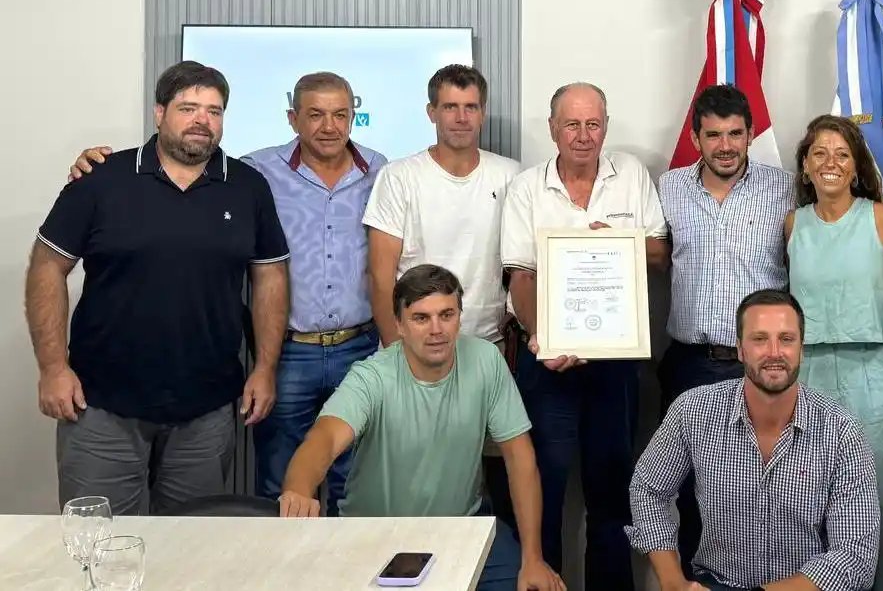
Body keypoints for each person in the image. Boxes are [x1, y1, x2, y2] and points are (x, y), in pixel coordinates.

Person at [66, 71, 387, 516]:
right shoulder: (256, 172)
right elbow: (185, 156)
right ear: (292, 118)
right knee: (282, 483)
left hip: (361, 347)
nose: (328, 126)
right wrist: (94, 163)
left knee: (356, 480)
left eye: (340, 115)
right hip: (290, 352)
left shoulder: (382, 171)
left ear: (356, 116)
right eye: (314, 114)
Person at [28, 60, 290, 515]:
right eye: (189, 108)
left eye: (214, 110)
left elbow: (269, 276)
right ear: (159, 113)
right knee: (99, 546)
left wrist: (265, 367)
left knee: (191, 552)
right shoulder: (101, 180)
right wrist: (53, 367)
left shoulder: (248, 187)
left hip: (206, 410)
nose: (202, 121)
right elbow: (47, 267)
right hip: (100, 404)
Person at [277, 264, 565, 591]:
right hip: (372, 535)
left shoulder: (486, 360)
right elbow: (324, 439)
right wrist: (299, 489)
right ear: (398, 324)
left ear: (460, 316)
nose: (436, 329)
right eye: (420, 318)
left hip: (462, 528)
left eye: (447, 314)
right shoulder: (372, 376)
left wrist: (533, 558)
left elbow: (521, 459)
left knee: (530, 582)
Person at [500, 82, 669, 591]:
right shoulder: (527, 187)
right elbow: (520, 275)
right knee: (543, 491)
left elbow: (660, 253)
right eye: (571, 124)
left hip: (615, 363)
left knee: (613, 494)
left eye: (592, 123)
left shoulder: (632, 176)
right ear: (553, 128)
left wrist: (620, 244)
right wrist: (542, 338)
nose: (582, 135)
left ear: (606, 127)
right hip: (545, 359)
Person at [627, 289, 881, 591]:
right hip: (718, 582)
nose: (774, 352)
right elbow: (647, 489)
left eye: (786, 339)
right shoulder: (692, 410)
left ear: (801, 348)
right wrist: (673, 582)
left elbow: (856, 556)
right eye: (759, 339)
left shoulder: (841, 430)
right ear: (740, 349)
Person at [362, 65, 520, 522]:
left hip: (485, 353)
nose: (460, 117)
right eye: (450, 106)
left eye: (470, 107)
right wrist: (398, 355)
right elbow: (380, 275)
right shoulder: (400, 177)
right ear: (431, 111)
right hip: (412, 353)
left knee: (492, 480)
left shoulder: (509, 175)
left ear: (483, 113)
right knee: (416, 484)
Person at [656, 83, 794, 577]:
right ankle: (697, 582)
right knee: (692, 490)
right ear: (696, 138)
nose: (726, 146)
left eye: (736, 134)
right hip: (689, 364)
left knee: (771, 492)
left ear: (751, 134)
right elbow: (651, 253)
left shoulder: (783, 188)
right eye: (713, 135)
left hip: (761, 366)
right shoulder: (669, 187)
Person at [785, 114, 883, 591]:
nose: (830, 162)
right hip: (808, 374)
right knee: (809, 498)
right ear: (804, 167)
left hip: (873, 373)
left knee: (880, 496)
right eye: (819, 153)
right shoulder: (792, 224)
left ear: (856, 166)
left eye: (841, 153)